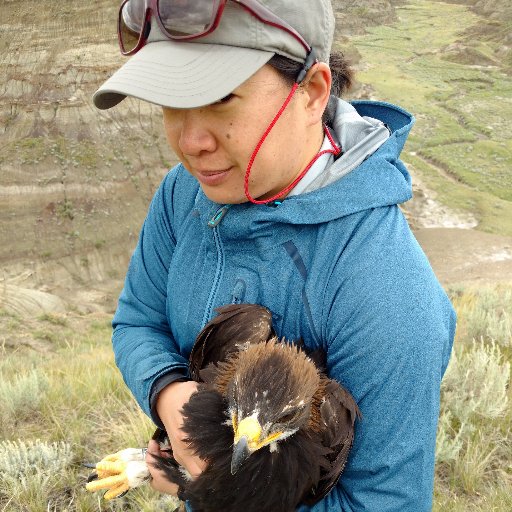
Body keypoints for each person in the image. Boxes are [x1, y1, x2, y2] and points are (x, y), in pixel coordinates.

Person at [93, 0, 456, 510]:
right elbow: (137, 321)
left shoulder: (385, 293)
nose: (191, 142)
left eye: (221, 98)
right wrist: (172, 397)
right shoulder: (184, 194)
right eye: (170, 102)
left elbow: (383, 503)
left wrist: (211, 491)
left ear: (311, 93)